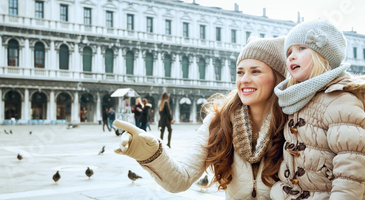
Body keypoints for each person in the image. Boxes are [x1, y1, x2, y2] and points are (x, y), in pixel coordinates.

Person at [113, 36, 287, 199]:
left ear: (278, 78)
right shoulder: (218, 122)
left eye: (255, 71)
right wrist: (151, 154)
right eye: (240, 72)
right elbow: (181, 179)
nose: (244, 80)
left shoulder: (295, 122)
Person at [272, 20, 365, 199]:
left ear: (323, 56)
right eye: (289, 52)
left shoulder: (339, 100)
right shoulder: (296, 98)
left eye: (301, 48)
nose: (291, 56)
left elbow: (350, 164)